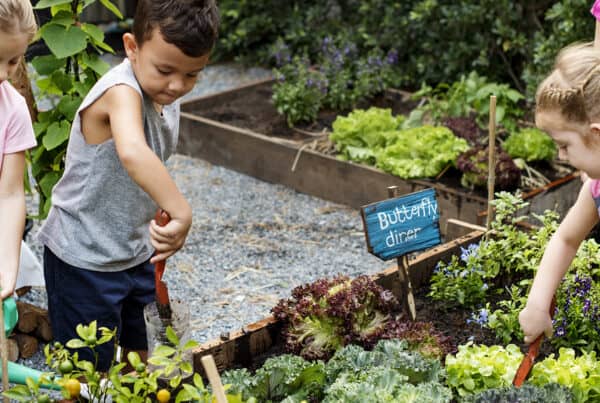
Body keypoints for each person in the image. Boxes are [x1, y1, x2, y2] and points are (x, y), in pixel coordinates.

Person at [37, 0, 219, 370]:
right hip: (83, 258)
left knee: (144, 355)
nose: (177, 85)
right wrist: (182, 210)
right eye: (166, 70)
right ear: (132, 48)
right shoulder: (120, 91)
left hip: (133, 252)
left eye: (192, 75)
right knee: (88, 373)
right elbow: (134, 152)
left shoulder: (165, 92)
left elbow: (150, 165)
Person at [519, 42, 600, 344]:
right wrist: (538, 304)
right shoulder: (595, 189)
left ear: (596, 134)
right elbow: (566, 239)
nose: (561, 157)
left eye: (565, 145)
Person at [0, 0, 38, 301]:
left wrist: (8, 263)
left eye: (13, 61)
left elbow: (10, 194)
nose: (3, 73)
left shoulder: (12, 109)